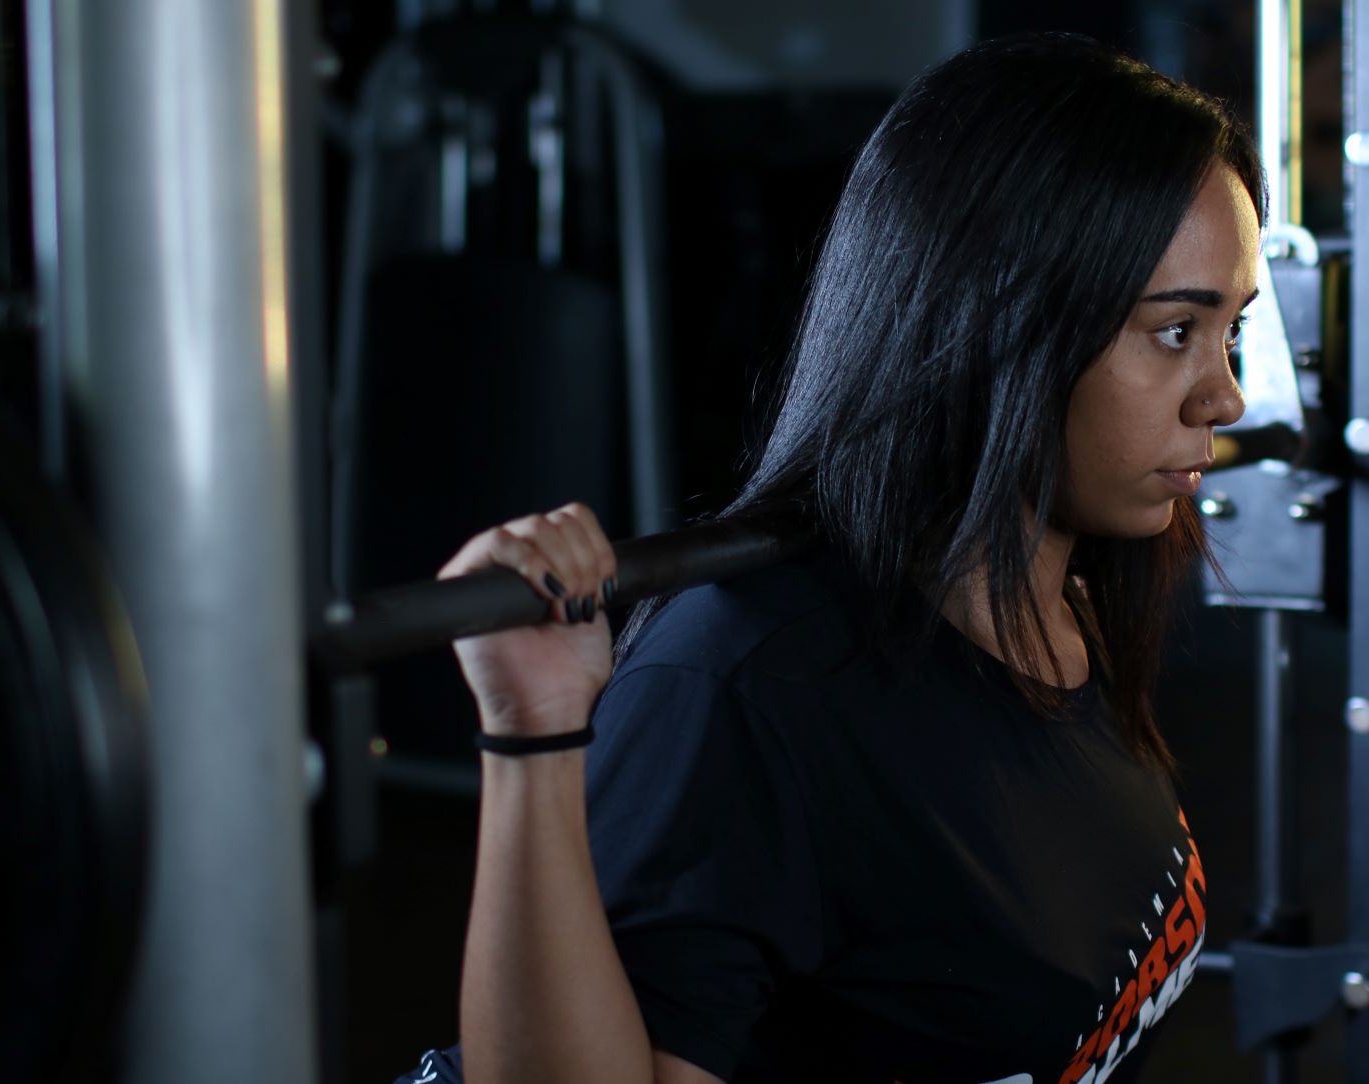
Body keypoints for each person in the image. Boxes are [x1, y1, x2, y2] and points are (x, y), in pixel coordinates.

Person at [422, 31, 1260, 1084]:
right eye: (1176, 332)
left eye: (1232, 331)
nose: (1226, 397)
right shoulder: (746, 682)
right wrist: (534, 735)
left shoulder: (1067, 595)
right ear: (1001, 322)